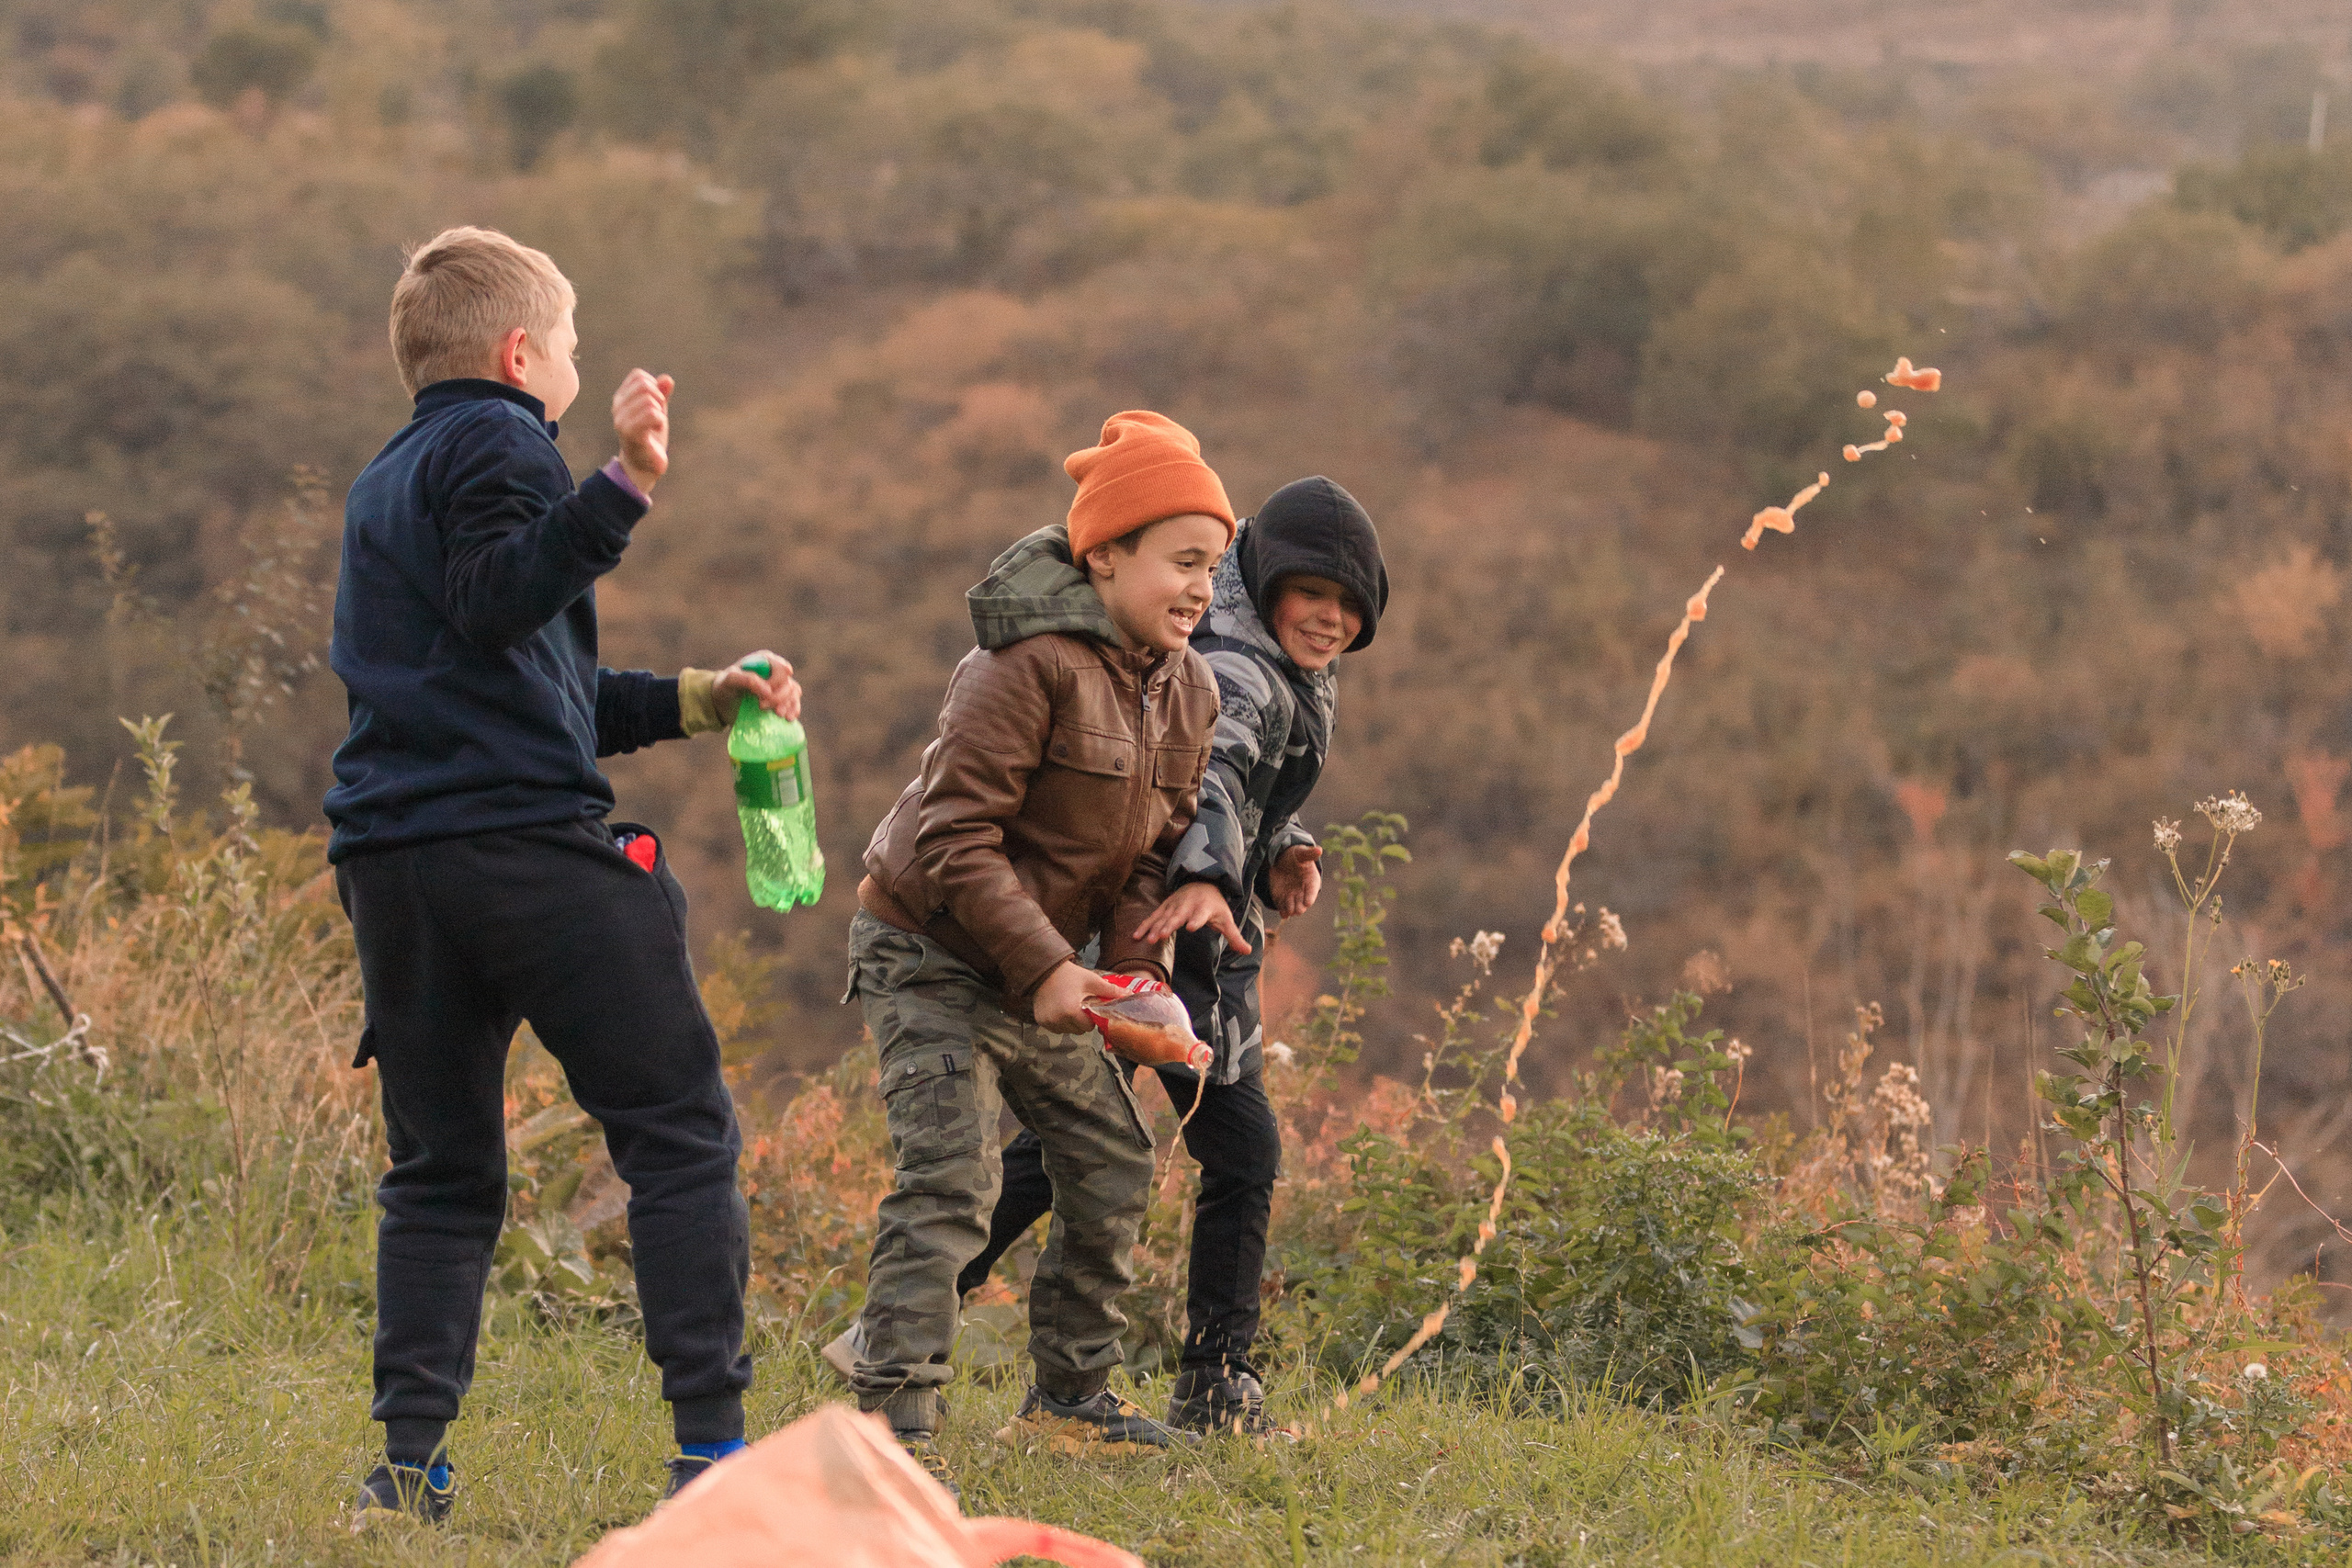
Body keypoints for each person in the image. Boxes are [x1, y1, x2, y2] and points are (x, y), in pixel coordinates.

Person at [326, 226, 797, 1524]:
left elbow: (524, 686)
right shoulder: (504, 439)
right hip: (524, 851)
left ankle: (406, 1467)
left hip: (396, 864)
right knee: (679, 1133)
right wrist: (625, 482)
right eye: (572, 343)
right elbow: (500, 598)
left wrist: (703, 697)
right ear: (520, 352)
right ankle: (712, 1456)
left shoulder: (386, 480)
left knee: (441, 1171)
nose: (578, 363)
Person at [841, 412, 1231, 1494]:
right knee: (952, 1178)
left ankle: (1070, 1403)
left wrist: (1134, 983)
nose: (1201, 589)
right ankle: (892, 1428)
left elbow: (1148, 855)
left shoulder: (1191, 689)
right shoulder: (1019, 665)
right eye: (1181, 561)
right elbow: (951, 838)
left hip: (1048, 968)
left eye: (1212, 567)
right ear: (1104, 555)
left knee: (1110, 1161)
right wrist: (1049, 970)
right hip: (930, 953)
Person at [950, 477, 1386, 1436]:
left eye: (1351, 602)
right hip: (1167, 933)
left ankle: (911, 1307)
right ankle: (1213, 1380)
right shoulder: (1239, 665)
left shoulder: (1272, 654)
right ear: (1267, 579)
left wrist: (1282, 848)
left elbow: (1245, 784)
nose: (1331, 616)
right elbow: (1214, 773)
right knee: (1225, 1151)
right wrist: (1214, 874)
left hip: (1186, 931)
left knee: (1077, 1136)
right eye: (1314, 592)